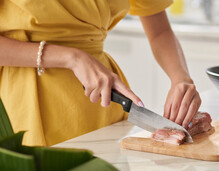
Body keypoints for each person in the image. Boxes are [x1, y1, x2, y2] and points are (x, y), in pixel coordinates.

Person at [0, 0, 201, 146]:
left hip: (101, 98)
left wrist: (180, 78)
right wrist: (72, 58)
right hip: (25, 98)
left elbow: (160, 32)